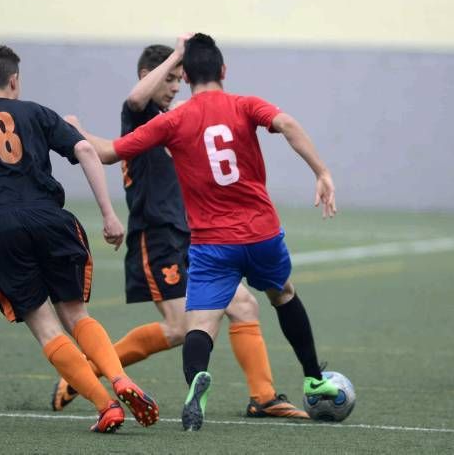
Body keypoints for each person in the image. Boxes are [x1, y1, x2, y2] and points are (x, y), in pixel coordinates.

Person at [65, 32, 340, 431]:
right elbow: (286, 122)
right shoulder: (246, 104)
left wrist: (71, 130)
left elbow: (107, 153)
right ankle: (314, 375)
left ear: (187, 78)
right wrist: (322, 172)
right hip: (261, 233)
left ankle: (198, 381)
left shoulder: (175, 120)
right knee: (282, 294)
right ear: (224, 70)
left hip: (211, 244)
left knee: (198, 325)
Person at [0, 45, 159, 433]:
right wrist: (108, 215)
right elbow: (86, 149)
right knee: (76, 314)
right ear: (14, 80)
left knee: (45, 325)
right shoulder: (37, 113)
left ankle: (106, 405)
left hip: (0, 226)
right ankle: (119, 377)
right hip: (52, 219)